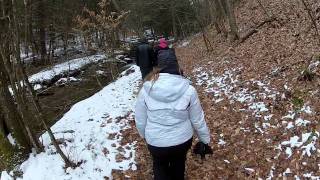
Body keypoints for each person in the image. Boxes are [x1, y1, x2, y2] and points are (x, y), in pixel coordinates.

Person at [135, 55, 211, 180]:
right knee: (178, 166)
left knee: (159, 166)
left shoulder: (146, 89)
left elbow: (140, 119)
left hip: (156, 141)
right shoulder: (189, 90)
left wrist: (145, 136)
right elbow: (197, 119)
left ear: (157, 68)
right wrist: (205, 140)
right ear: (177, 67)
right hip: (182, 140)